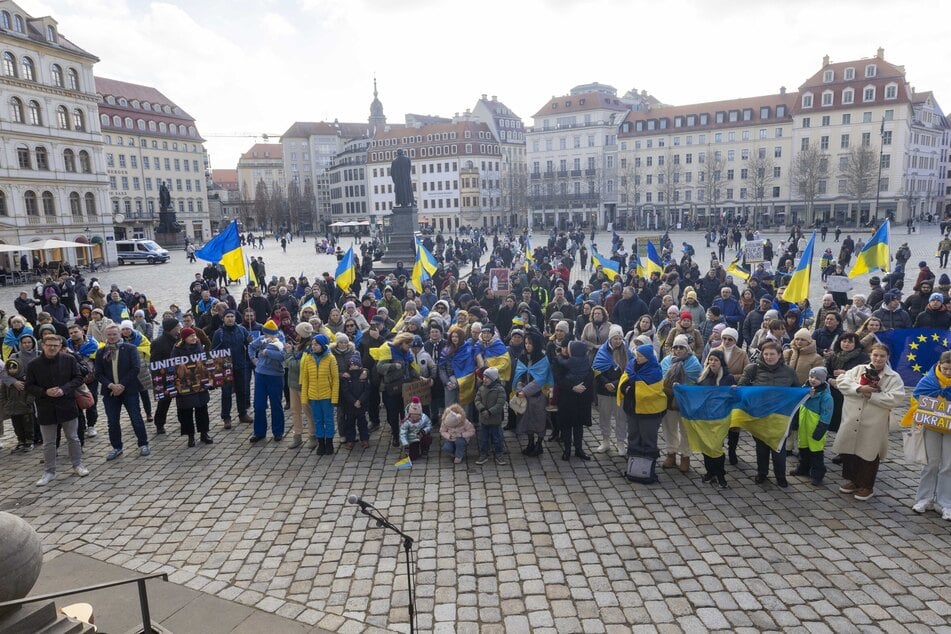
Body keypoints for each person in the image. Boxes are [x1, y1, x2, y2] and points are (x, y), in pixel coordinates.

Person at [833, 343, 904, 501]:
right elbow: (843, 382)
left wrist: (873, 396)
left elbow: (896, 398)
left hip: (874, 421)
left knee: (869, 453)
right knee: (851, 450)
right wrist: (859, 389)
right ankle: (853, 480)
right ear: (870, 356)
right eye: (875, 355)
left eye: (882, 356)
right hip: (853, 417)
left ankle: (866, 486)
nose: (878, 359)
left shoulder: (893, 377)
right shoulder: (858, 369)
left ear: (887, 358)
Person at [25, 334, 89, 485]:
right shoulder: (34, 364)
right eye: (49, 345)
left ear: (60, 346)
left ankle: (78, 464)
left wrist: (64, 389)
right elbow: (29, 386)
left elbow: (78, 378)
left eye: (56, 345)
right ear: (43, 346)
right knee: (49, 442)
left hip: (66, 404)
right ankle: (49, 471)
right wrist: (44, 392)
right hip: (45, 407)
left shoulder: (69, 360)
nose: (52, 347)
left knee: (73, 437)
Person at [738, 341, 798, 487]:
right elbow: (742, 388)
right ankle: (762, 473)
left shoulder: (789, 372)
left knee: (779, 449)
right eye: (766, 354)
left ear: (779, 355)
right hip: (760, 415)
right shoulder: (752, 369)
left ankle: (780, 476)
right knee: (761, 447)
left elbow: (796, 394)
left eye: (772, 354)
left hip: (780, 417)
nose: (769, 357)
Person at [905, 351, 951, 519]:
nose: (947, 372)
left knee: (948, 465)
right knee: (930, 462)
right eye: (945, 368)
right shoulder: (928, 381)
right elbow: (916, 398)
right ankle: (924, 498)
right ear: (939, 364)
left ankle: (946, 503)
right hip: (931, 426)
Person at [94, 324, 150, 460]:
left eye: (114, 334)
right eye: (109, 335)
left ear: (120, 334)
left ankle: (143, 444)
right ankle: (116, 447)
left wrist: (121, 385)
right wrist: (111, 385)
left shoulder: (130, 349)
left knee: (136, 418)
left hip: (129, 389)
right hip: (110, 392)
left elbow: (135, 368)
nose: (112, 337)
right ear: (105, 336)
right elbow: (98, 373)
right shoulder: (101, 352)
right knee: (112, 422)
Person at [618, 343, 667, 483]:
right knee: (633, 435)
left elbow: (653, 392)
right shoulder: (632, 365)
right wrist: (626, 388)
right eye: (637, 355)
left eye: (640, 356)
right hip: (632, 409)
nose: (637, 358)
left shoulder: (655, 371)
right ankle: (633, 467)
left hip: (649, 412)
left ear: (648, 358)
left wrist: (631, 389)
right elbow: (625, 379)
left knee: (648, 439)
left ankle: (647, 470)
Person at [660, 335, 702, 473]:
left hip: (686, 403)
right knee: (669, 427)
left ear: (687, 348)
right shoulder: (666, 361)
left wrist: (681, 386)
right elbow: (662, 379)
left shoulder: (694, 364)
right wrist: (671, 386)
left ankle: (685, 456)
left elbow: (696, 381)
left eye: (681, 347)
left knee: (686, 430)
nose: (678, 350)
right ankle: (671, 453)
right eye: (676, 347)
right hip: (669, 401)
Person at [696, 350, 734, 488]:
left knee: (716, 446)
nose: (712, 362)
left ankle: (720, 474)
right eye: (710, 359)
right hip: (705, 416)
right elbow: (695, 393)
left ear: (721, 362)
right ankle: (710, 472)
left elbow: (731, 397)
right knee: (706, 445)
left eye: (716, 360)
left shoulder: (728, 378)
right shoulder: (702, 377)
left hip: (720, 417)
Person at [790, 367, 834, 485]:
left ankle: (818, 474)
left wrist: (821, 429)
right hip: (803, 425)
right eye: (811, 377)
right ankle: (803, 468)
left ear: (823, 380)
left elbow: (827, 414)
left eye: (817, 378)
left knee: (816, 451)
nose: (813, 380)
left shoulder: (826, 397)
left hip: (815, 427)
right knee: (803, 448)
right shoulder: (805, 390)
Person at [513, 328, 552, 457]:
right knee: (526, 420)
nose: (527, 346)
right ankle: (530, 443)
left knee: (539, 420)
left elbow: (540, 380)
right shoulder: (523, 357)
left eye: (530, 343)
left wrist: (524, 391)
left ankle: (539, 444)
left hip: (538, 395)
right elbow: (520, 375)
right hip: (524, 397)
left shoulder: (542, 358)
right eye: (526, 343)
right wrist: (519, 388)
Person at [593, 325, 630, 456]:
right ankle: (605, 440)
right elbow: (596, 369)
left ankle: (620, 442)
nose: (618, 341)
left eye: (620, 338)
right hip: (604, 389)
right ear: (610, 338)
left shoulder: (626, 351)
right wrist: (605, 383)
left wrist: (615, 383)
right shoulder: (602, 351)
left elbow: (628, 371)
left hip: (619, 390)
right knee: (604, 416)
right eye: (615, 338)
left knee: (621, 417)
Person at [300, 333, 339, 455]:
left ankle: (329, 443)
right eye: (312, 345)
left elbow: (335, 379)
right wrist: (305, 397)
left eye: (316, 344)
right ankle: (321, 443)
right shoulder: (308, 358)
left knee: (328, 420)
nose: (313, 347)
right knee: (317, 420)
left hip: (326, 395)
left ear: (322, 345)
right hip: (313, 395)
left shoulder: (330, 358)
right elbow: (305, 379)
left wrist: (334, 397)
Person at [554, 341, 594, 461]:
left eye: (568, 347)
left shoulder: (584, 360)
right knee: (566, 424)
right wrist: (572, 387)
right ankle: (567, 450)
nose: (566, 350)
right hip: (567, 397)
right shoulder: (560, 361)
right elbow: (558, 379)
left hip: (582, 397)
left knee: (578, 424)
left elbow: (590, 373)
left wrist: (583, 386)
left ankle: (579, 449)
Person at [212, 309, 251, 430]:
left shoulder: (242, 330)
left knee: (242, 390)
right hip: (225, 367)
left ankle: (242, 413)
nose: (230, 319)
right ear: (223, 319)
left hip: (240, 364)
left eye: (232, 316)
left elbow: (248, 345)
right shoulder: (219, 333)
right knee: (226, 392)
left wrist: (250, 341)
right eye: (227, 316)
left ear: (235, 318)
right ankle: (226, 417)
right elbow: (213, 350)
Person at [248, 319, 286, 443]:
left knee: (276, 405)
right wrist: (253, 359)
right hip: (260, 375)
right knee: (259, 405)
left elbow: (282, 356)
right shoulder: (261, 339)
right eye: (265, 334)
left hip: (275, 376)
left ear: (275, 333)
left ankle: (278, 431)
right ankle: (259, 432)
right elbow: (251, 346)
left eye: (269, 334)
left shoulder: (281, 340)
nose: (266, 336)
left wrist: (266, 352)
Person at [174, 328, 213, 447]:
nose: (194, 338)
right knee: (186, 412)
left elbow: (204, 361)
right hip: (186, 384)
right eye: (191, 336)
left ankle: (204, 433)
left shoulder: (199, 346)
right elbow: (173, 365)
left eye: (194, 336)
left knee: (202, 410)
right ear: (184, 338)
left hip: (199, 384)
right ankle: (190, 436)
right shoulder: (177, 349)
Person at [474, 366, 508, 465]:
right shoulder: (481, 388)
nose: (484, 379)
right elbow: (477, 400)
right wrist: (482, 409)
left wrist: (490, 412)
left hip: (494, 420)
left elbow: (500, 403)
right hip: (483, 419)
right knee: (483, 438)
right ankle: (484, 454)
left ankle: (499, 454)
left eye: (487, 377)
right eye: (484, 377)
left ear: (493, 379)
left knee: (497, 438)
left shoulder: (500, 390)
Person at [1, 357, 35, 453]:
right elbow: (2, 394)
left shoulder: (25, 379)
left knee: (28, 425)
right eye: (10, 368)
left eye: (14, 368)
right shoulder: (7, 382)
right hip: (13, 408)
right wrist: (5, 403)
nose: (12, 370)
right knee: (17, 426)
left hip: (25, 408)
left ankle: (29, 441)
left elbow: (31, 392)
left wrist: (29, 402)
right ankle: (21, 441)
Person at [339, 353, 370, 450]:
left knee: (363, 423)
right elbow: (346, 392)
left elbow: (367, 390)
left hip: (361, 405)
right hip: (350, 406)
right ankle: (350, 440)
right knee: (350, 424)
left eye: (355, 365)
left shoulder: (363, 377)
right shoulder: (347, 378)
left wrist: (360, 401)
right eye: (351, 365)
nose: (353, 367)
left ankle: (364, 439)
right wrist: (354, 401)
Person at [399, 396, 432, 460]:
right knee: (413, 457)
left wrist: (424, 431)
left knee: (427, 438)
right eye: (413, 416)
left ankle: (424, 450)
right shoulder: (406, 421)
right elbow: (402, 433)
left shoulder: (424, 417)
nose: (415, 418)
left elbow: (429, 425)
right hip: (412, 439)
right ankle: (413, 451)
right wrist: (406, 444)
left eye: (417, 416)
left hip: (421, 435)